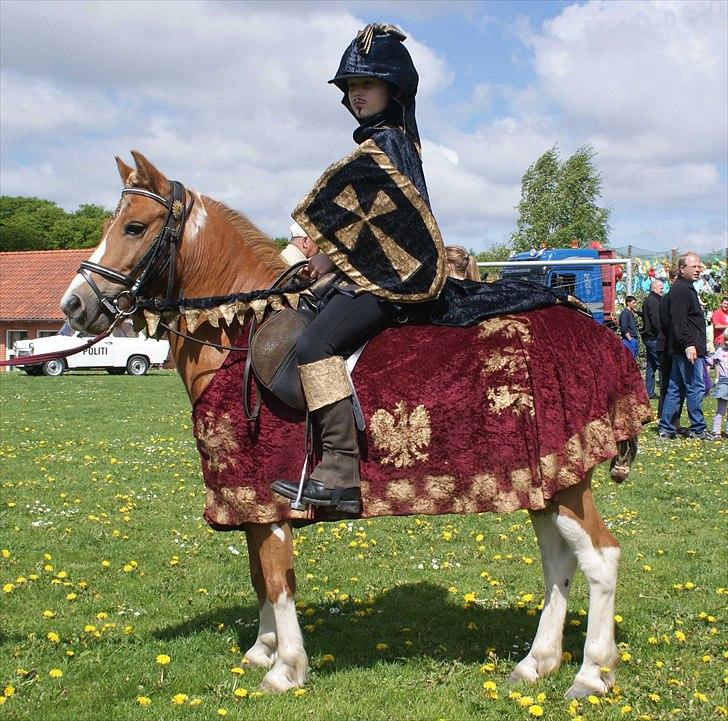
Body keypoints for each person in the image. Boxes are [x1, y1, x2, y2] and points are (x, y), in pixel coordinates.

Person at [658, 252, 716, 440]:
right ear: (682, 269)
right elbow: (678, 321)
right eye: (694, 266)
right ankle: (698, 429)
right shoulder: (681, 290)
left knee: (675, 388)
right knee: (695, 387)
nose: (698, 269)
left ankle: (666, 428)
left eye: (699, 266)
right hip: (687, 349)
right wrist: (688, 344)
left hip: (681, 348)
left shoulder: (685, 288)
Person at [641, 279, 663, 398]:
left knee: (651, 366)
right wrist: (662, 334)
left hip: (649, 338)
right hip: (655, 338)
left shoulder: (649, 300)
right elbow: (655, 321)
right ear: (654, 288)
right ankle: (664, 389)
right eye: (660, 287)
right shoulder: (654, 301)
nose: (662, 289)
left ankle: (649, 392)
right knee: (661, 365)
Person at [706, 336, 728, 437]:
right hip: (724, 383)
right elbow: (711, 361)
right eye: (726, 339)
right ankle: (716, 431)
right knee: (721, 409)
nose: (727, 342)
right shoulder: (720, 351)